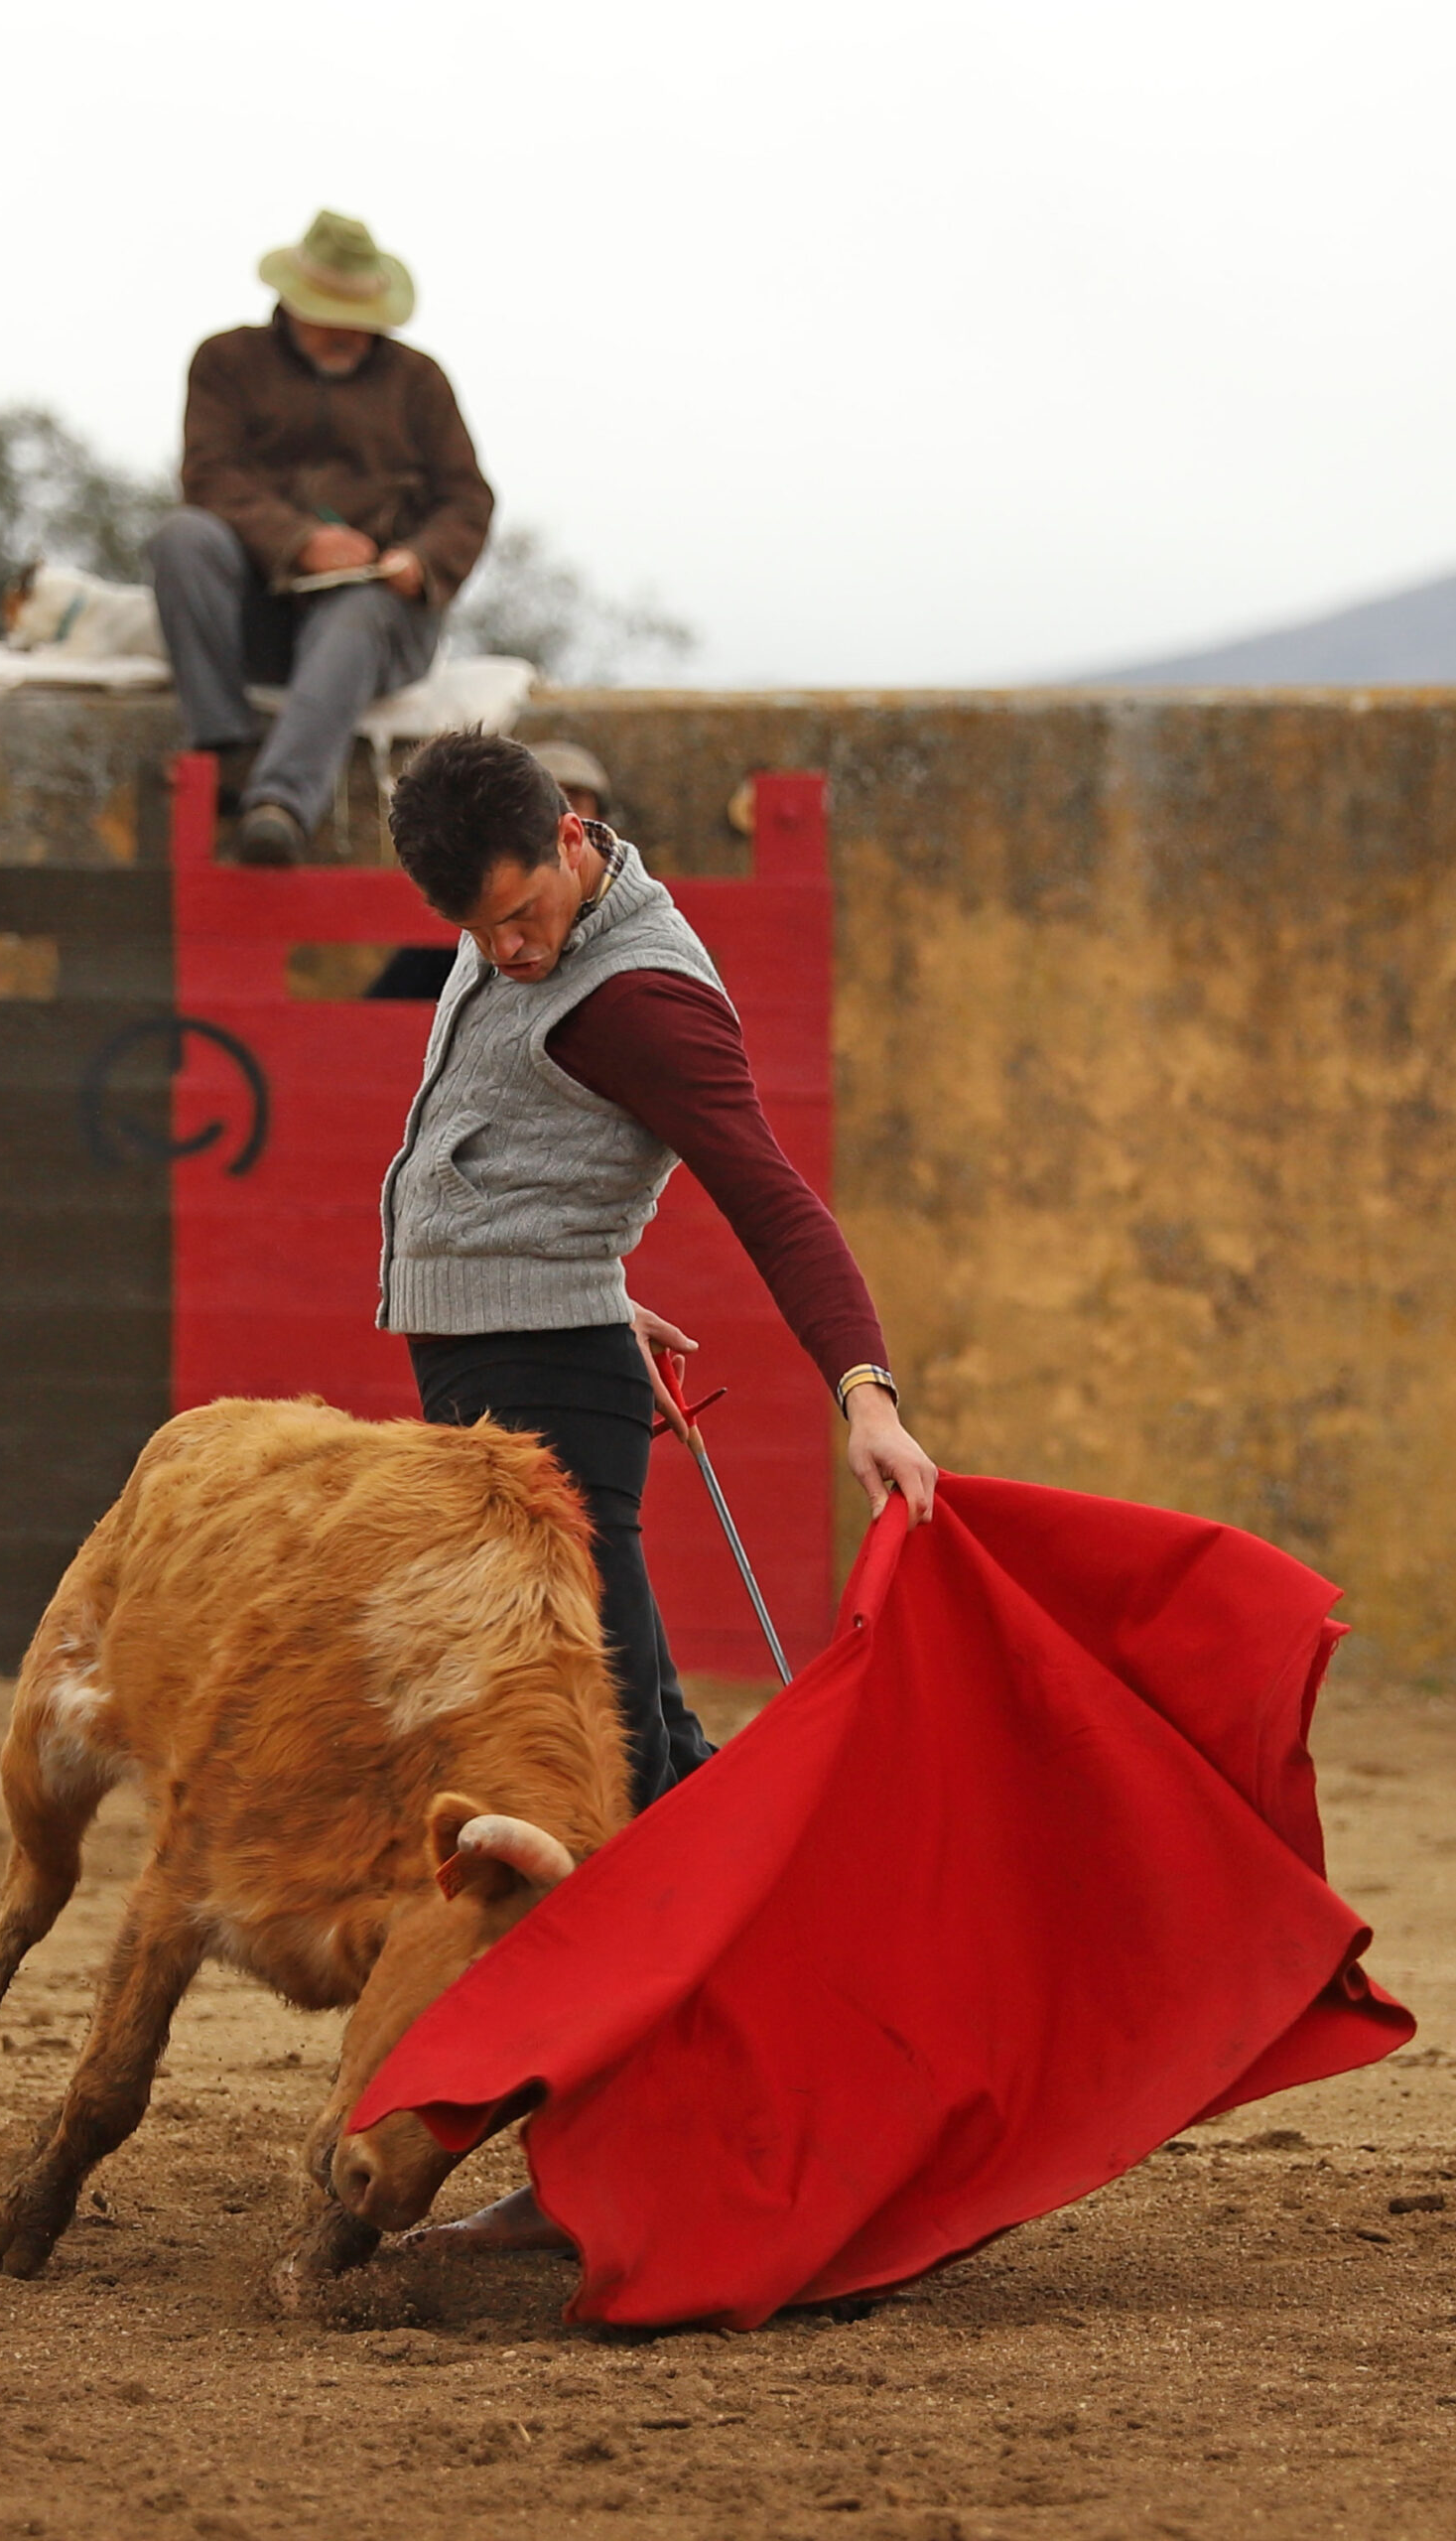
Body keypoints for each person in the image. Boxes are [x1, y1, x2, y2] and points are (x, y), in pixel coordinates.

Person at [378, 730, 938, 2251]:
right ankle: (794, 2061)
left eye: (520, 919)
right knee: (636, 1754)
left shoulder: (637, 995)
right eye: (478, 934)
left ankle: (633, 2152)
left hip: (543, 1412)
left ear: (573, 839)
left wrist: (862, 1393)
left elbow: (770, 1194)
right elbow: (528, 1160)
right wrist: (583, 1275)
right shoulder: (532, 907)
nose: (506, 952)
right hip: (523, 1369)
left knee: (598, 1772)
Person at [151, 210, 494, 867]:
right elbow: (208, 475)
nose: (348, 332)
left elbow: (467, 498)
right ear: (292, 302)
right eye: (331, 313)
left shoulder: (418, 382)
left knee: (357, 613)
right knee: (180, 538)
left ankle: (278, 805)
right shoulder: (225, 362)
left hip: (378, 618)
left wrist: (418, 562)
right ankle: (224, 751)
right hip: (262, 609)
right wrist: (297, 542)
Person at [365, 739, 615, 1002]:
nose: (504, 948)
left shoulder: (633, 934)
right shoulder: (465, 915)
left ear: (572, 836)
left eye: (573, 799)